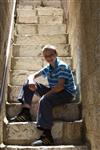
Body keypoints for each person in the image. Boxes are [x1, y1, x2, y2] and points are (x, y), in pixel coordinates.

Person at [9, 44, 76, 146]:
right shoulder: (49, 67)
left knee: (45, 100)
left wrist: (46, 95)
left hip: (66, 93)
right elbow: (32, 75)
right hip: (55, 90)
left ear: (56, 54)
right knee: (28, 84)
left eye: (51, 55)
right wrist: (31, 80)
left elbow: (60, 87)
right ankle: (25, 112)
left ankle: (47, 137)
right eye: (46, 56)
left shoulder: (62, 66)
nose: (49, 58)